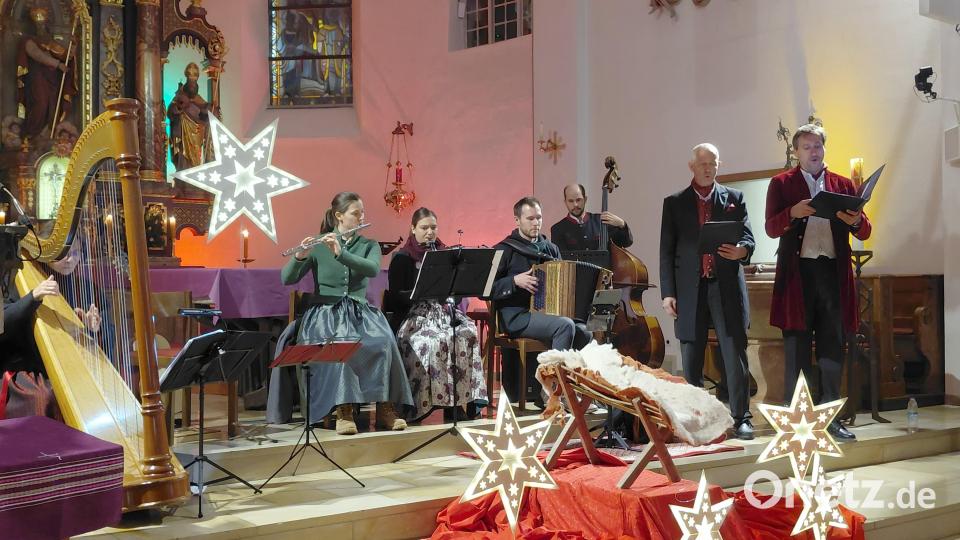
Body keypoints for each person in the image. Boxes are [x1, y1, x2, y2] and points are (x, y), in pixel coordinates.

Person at [765, 124, 871, 442]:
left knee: (831, 348)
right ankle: (797, 419)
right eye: (807, 146)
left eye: (818, 146)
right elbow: (771, 227)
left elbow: (864, 230)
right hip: (799, 276)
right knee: (797, 347)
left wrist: (856, 221)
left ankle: (831, 417)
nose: (814, 151)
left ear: (824, 149)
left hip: (833, 274)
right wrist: (792, 213)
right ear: (796, 152)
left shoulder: (841, 183)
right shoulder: (781, 183)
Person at [279, 191, 413, 435]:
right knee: (342, 344)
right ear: (339, 216)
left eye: (363, 213)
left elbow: (372, 269)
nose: (362, 217)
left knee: (383, 342)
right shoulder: (319, 245)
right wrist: (300, 255)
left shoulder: (369, 245)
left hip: (360, 313)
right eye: (356, 213)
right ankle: (343, 410)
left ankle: (385, 408)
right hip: (325, 313)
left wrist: (341, 252)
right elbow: (287, 278)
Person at [659, 143, 755, 440]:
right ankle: (696, 419)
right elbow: (667, 251)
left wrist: (743, 251)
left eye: (713, 163)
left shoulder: (734, 198)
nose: (708, 168)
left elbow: (748, 237)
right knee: (691, 356)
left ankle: (741, 417)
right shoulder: (674, 203)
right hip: (690, 289)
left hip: (724, 285)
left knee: (733, 351)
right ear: (692, 166)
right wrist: (668, 293)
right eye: (703, 163)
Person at [385, 207, 487, 421]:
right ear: (413, 228)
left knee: (466, 334)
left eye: (433, 227)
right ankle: (423, 405)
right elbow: (395, 296)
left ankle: (458, 403)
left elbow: (457, 292)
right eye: (424, 227)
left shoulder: (446, 254)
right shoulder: (402, 257)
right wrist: (419, 291)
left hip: (443, 313)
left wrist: (455, 290)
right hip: (415, 317)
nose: (429, 232)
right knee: (434, 341)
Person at [490, 197, 591, 405]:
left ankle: (571, 388)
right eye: (530, 218)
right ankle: (552, 391)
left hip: (548, 314)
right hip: (517, 316)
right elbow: (486, 289)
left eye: (539, 218)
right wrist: (514, 281)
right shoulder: (503, 250)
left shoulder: (550, 249)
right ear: (517, 220)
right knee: (564, 326)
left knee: (584, 331)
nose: (536, 223)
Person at [1, 276, 61, 419]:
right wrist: (32, 297)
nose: (69, 260)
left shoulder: (75, 286)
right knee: (45, 396)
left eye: (75, 253)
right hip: (19, 367)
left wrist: (86, 326)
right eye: (62, 254)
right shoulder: (10, 276)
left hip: (56, 368)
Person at [16, 6, 77, 142]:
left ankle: (48, 132)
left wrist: (74, 44)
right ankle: (32, 134)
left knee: (52, 105)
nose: (41, 27)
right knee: (41, 104)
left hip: (52, 81)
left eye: (43, 24)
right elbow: (37, 55)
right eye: (38, 25)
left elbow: (66, 55)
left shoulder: (50, 42)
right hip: (37, 79)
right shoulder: (28, 41)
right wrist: (58, 64)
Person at [550, 183, 632, 251]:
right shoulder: (557, 229)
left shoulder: (602, 221)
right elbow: (561, 260)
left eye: (578, 200)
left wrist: (622, 224)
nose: (575, 205)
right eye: (571, 201)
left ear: (585, 199)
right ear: (565, 202)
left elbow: (626, 242)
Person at [167, 63, 212, 171]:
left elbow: (204, 116)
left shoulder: (199, 99)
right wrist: (179, 108)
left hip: (196, 137)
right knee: (183, 159)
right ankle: (182, 177)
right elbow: (171, 111)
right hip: (182, 133)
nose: (192, 84)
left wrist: (207, 111)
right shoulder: (179, 96)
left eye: (194, 82)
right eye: (190, 82)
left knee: (195, 162)